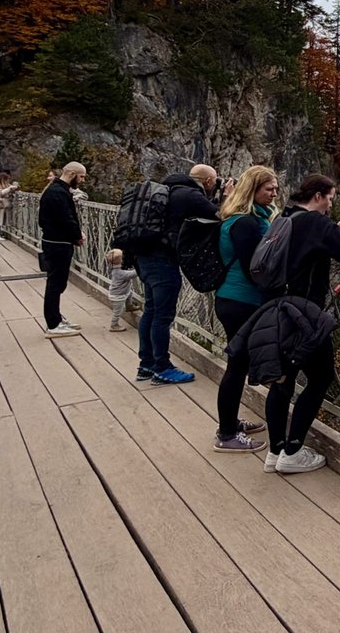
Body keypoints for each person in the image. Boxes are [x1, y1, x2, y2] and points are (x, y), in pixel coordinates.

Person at [261, 173, 340, 474]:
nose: (331, 204)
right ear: (318, 196)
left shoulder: (284, 217)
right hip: (304, 315)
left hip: (275, 310)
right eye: (330, 198)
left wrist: (334, 230)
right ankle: (292, 452)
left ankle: (274, 450)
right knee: (320, 377)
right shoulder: (315, 223)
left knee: (282, 382)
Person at [212, 166, 277, 452]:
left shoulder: (242, 219)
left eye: (275, 188)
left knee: (237, 365)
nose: (274, 193)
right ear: (253, 189)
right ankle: (226, 435)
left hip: (234, 298)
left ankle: (229, 423)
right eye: (268, 189)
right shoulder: (246, 223)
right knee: (237, 367)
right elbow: (254, 267)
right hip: (241, 300)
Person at [135, 163, 218, 385]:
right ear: (208, 181)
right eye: (214, 182)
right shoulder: (190, 195)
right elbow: (220, 214)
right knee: (162, 316)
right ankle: (162, 367)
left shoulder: (166, 189)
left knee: (150, 311)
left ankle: (146, 364)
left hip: (143, 257)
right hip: (162, 261)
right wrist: (227, 195)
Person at [39, 160, 87, 338]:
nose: (82, 180)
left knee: (57, 282)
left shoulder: (55, 190)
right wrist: (77, 235)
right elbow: (66, 219)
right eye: (81, 176)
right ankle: (53, 324)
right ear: (72, 174)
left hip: (55, 241)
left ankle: (56, 318)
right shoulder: (58, 193)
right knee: (55, 283)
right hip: (58, 243)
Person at [105, 248, 138, 332]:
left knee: (129, 293)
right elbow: (132, 274)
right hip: (118, 296)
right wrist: (139, 268)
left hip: (121, 292)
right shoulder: (119, 272)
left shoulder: (112, 268)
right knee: (117, 312)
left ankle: (129, 306)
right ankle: (114, 325)